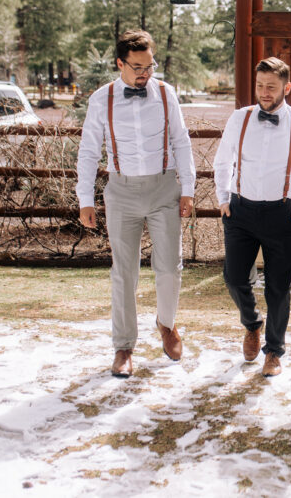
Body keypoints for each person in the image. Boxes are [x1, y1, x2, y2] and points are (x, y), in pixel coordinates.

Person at [76, 29, 196, 378]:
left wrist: (187, 187)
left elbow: (182, 141)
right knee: (123, 272)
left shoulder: (165, 93)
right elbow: (88, 151)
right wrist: (85, 198)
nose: (145, 73)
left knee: (170, 267)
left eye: (150, 66)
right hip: (122, 191)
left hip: (163, 188)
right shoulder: (102, 99)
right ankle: (123, 346)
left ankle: (167, 324)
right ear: (120, 64)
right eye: (138, 66)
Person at [212, 57, 291, 377]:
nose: (264, 92)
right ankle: (252, 324)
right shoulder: (240, 118)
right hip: (240, 210)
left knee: (278, 287)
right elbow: (223, 160)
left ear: (287, 87)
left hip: (282, 213)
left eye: (271, 87)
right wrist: (223, 198)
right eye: (259, 86)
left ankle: (274, 351)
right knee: (233, 277)